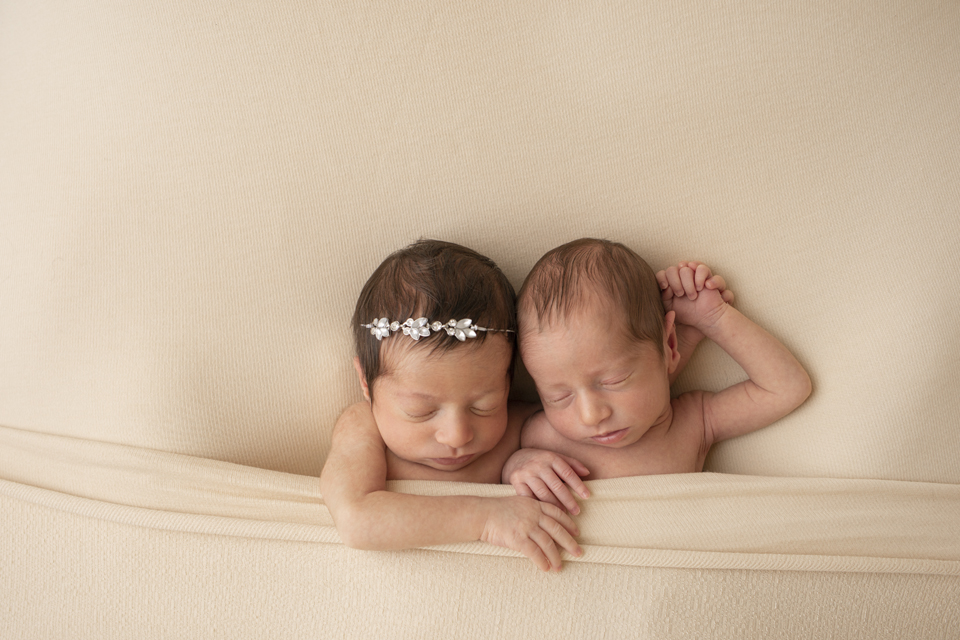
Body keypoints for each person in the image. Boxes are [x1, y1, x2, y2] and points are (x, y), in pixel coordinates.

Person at [320, 239, 583, 572]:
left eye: (483, 405)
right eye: (422, 411)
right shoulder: (362, 427)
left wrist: (523, 461)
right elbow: (356, 519)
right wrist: (485, 517)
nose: (457, 436)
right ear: (365, 385)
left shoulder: (520, 427)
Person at [503, 238, 811, 512]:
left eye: (613, 381)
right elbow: (482, 469)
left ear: (670, 345)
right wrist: (518, 465)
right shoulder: (541, 435)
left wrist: (713, 319)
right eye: (559, 396)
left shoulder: (694, 424)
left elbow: (787, 388)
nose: (591, 414)